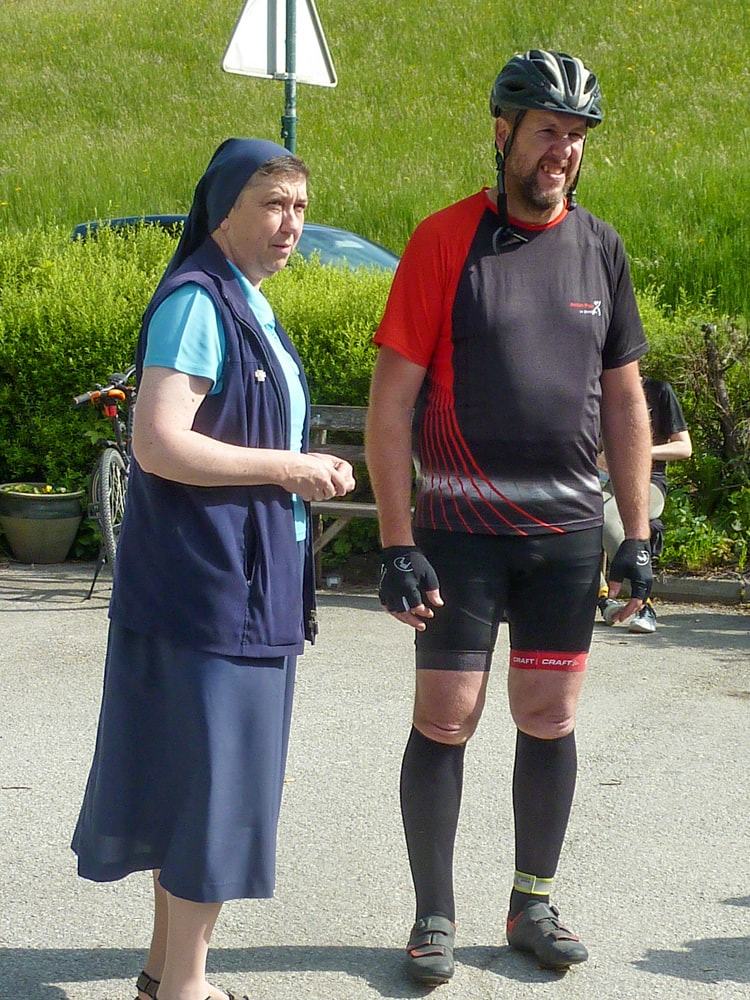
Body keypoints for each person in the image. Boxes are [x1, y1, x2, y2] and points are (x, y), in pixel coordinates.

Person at [366, 50, 654, 982]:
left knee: (548, 715)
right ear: (503, 134)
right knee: (446, 717)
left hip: (563, 535)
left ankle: (533, 902)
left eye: (575, 136)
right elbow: (390, 403)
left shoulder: (601, 247)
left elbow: (625, 400)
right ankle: (434, 914)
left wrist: (637, 533)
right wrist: (396, 543)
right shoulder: (444, 240)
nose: (561, 150)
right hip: (457, 532)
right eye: (546, 131)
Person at [71, 138, 355, 1000]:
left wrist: (291, 466)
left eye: (300, 207)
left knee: (197, 789)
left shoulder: (242, 301)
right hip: (214, 591)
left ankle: (166, 976)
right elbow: (159, 443)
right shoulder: (199, 300)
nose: (290, 224)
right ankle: (187, 989)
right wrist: (287, 467)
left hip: (236, 587)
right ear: (223, 209)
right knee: (215, 797)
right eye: (273, 204)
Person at [598, 376, 692, 632]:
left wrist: (638, 452)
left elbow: (684, 448)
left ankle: (644, 603)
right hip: (605, 482)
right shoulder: (595, 390)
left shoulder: (659, 390)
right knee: (576, 515)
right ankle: (603, 599)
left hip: (648, 484)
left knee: (608, 516)